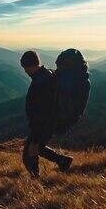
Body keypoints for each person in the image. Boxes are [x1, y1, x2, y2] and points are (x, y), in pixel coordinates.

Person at [20, 50, 73, 178]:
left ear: (32, 65)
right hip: (46, 123)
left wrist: (36, 136)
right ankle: (63, 161)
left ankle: (35, 180)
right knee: (38, 149)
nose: (25, 71)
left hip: (43, 124)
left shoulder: (41, 82)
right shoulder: (46, 75)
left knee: (30, 153)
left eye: (26, 68)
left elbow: (42, 110)